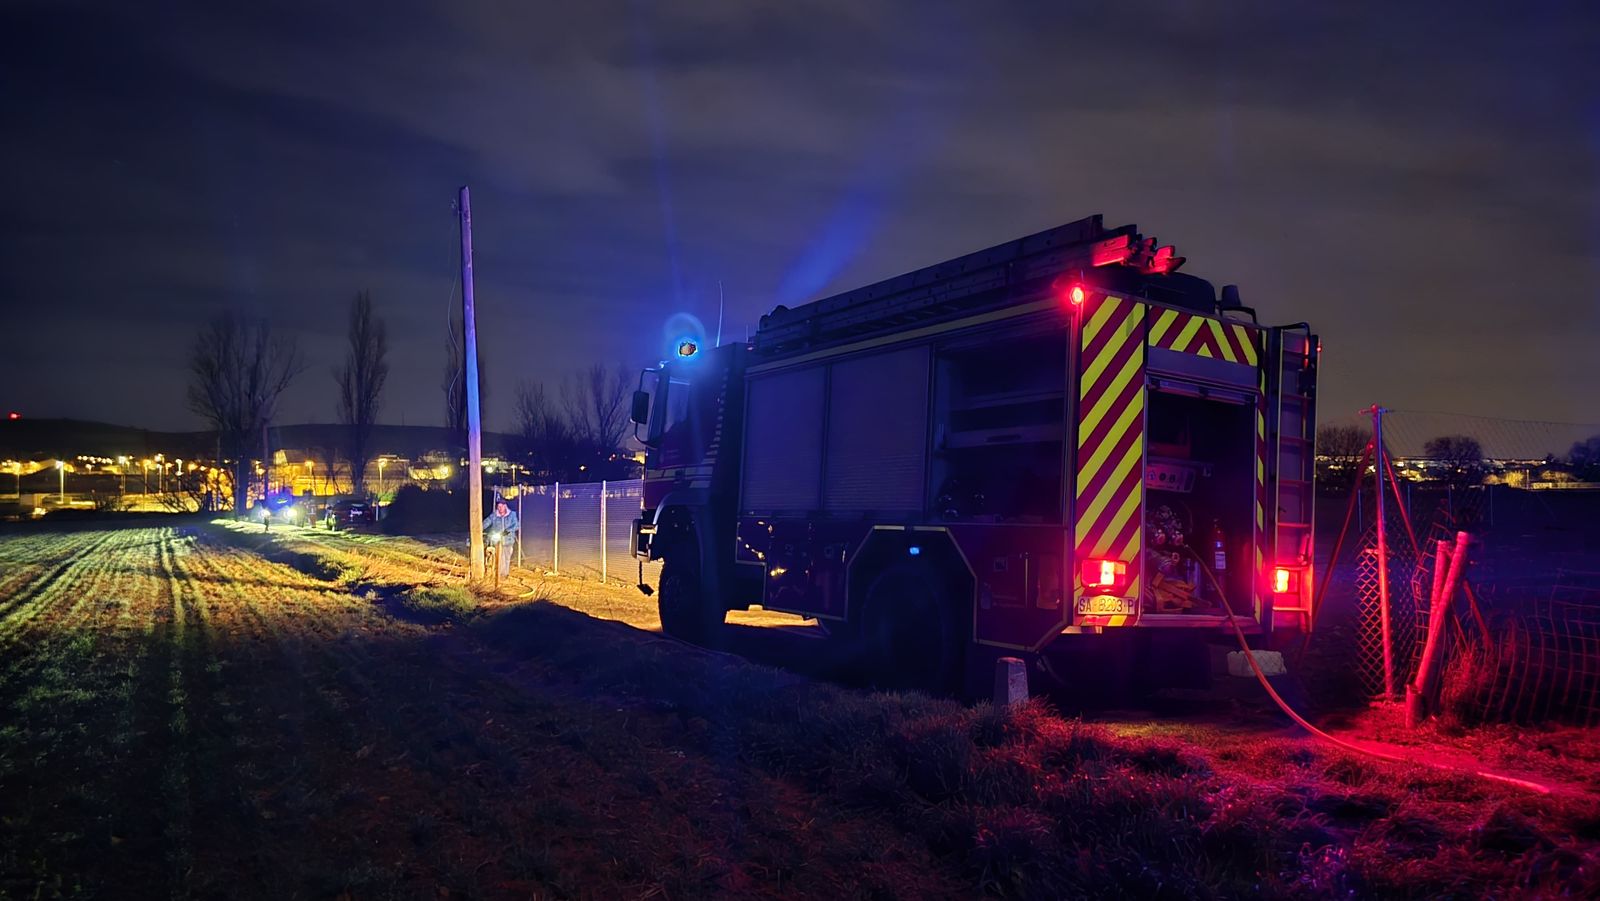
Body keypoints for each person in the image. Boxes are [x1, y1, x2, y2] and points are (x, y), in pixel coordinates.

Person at [482, 497, 519, 579]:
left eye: (501, 506)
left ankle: (505, 574)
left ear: (505, 506)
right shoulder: (494, 515)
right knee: (498, 557)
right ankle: (498, 573)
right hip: (497, 540)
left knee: (506, 558)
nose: (500, 508)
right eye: (498, 507)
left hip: (508, 540)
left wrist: (507, 531)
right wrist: (479, 528)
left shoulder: (512, 515)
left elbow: (516, 525)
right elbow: (487, 522)